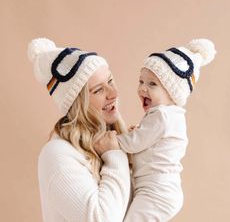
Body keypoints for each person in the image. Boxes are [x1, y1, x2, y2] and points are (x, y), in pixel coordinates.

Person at [27, 38, 131, 222]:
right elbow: (102, 219)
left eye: (110, 81)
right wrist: (114, 156)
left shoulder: (112, 142)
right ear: (78, 104)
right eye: (98, 90)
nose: (114, 93)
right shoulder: (57, 154)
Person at [114, 39, 216, 221]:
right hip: (163, 189)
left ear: (172, 92)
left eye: (152, 84)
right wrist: (138, 133)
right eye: (141, 81)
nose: (142, 88)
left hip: (156, 192)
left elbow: (133, 144)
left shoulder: (161, 115)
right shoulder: (173, 116)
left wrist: (113, 140)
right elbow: (151, 144)